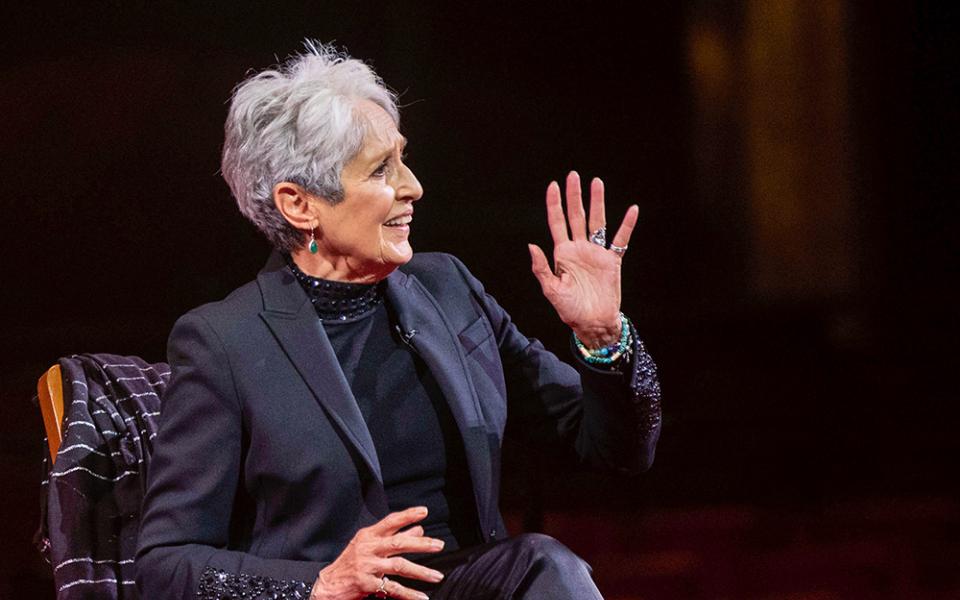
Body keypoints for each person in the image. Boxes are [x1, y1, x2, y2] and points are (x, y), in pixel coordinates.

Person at [136, 41, 661, 600]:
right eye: (381, 169)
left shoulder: (448, 291)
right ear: (299, 205)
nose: (413, 186)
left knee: (543, 564)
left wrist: (603, 338)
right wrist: (320, 583)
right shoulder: (226, 342)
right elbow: (165, 565)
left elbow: (618, 451)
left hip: (472, 585)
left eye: (402, 158)